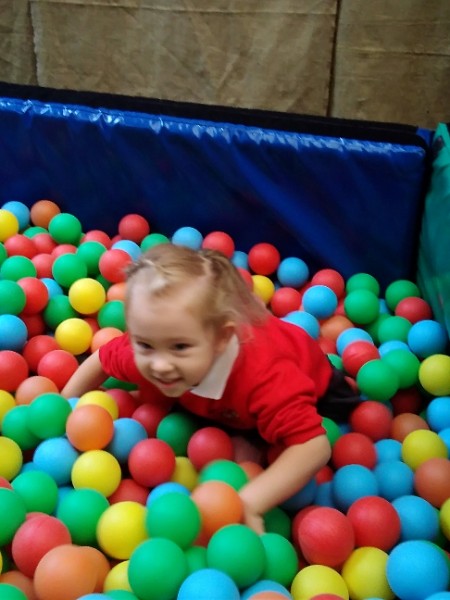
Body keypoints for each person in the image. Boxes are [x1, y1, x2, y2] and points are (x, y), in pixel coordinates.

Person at [62, 242, 359, 533]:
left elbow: (314, 446)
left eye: (180, 347)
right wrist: (65, 404)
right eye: (145, 345)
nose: (160, 364)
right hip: (220, 399)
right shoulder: (155, 345)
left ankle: (255, 435)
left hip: (314, 389)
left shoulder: (265, 379)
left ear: (221, 339)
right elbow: (102, 359)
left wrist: (251, 502)